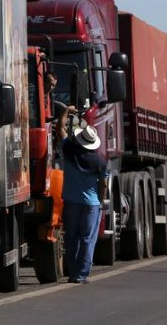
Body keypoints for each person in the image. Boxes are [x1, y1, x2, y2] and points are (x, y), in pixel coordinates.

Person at [56, 105, 108, 284]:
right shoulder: (100, 161)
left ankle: (72, 272)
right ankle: (81, 273)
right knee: (87, 238)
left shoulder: (69, 151)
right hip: (91, 204)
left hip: (71, 201)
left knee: (71, 236)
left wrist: (64, 112)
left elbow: (60, 129)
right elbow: (103, 184)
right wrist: (100, 201)